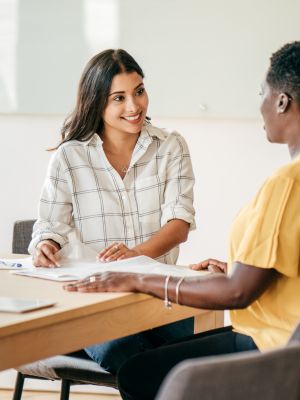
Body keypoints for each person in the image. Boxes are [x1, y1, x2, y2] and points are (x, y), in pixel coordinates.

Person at [65, 39, 300, 400]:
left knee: (138, 373)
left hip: (280, 352)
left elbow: (238, 293)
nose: (260, 105)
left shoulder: (290, 183)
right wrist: (235, 269)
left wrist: (138, 277)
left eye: (263, 92)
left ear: (282, 101)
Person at [29, 49, 196, 373]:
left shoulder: (170, 146)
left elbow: (179, 224)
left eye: (139, 91)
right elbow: (49, 225)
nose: (134, 106)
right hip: (96, 304)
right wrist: (45, 245)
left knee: (198, 346)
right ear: (97, 102)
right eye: (118, 98)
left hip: (159, 300)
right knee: (127, 352)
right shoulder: (69, 157)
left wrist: (133, 257)